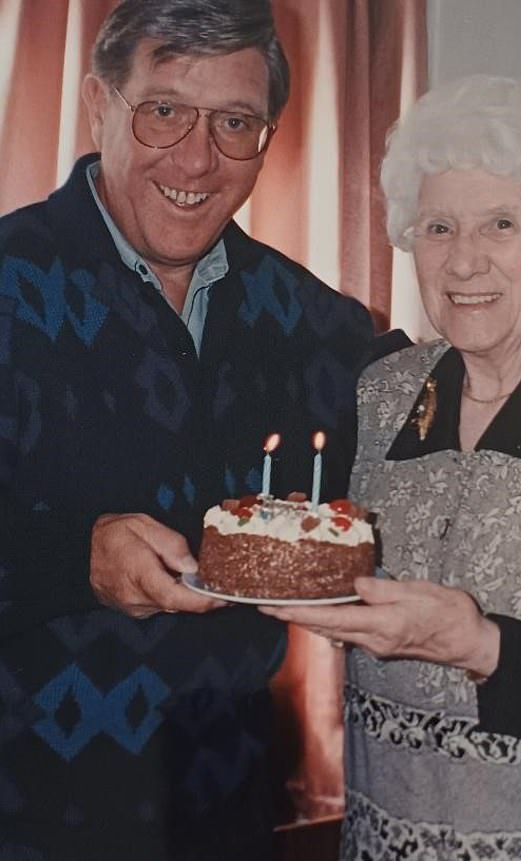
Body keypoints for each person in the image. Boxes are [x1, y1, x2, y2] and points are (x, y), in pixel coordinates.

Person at [0, 1, 379, 859]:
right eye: (165, 109)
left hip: (227, 817)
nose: (198, 159)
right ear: (99, 105)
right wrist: (76, 561)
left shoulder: (310, 320)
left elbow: (444, 404)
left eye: (234, 121)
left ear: (268, 135)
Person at [261, 74, 521, 860]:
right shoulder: (380, 388)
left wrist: (483, 646)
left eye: (501, 223)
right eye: (437, 226)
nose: (463, 261)